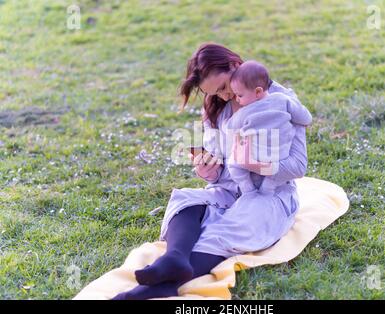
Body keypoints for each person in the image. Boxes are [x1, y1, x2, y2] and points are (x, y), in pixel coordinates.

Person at [112, 43, 311, 300]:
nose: (224, 96)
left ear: (235, 66)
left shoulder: (280, 103)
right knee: (186, 201)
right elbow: (219, 167)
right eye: (215, 93)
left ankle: (151, 290)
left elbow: (298, 167)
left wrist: (255, 165)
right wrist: (208, 172)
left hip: (268, 195)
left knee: (225, 230)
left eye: (224, 87)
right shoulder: (215, 106)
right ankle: (175, 257)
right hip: (229, 190)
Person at [226, 60, 312, 194]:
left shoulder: (245, 111)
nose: (237, 99)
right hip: (280, 156)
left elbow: (230, 127)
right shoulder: (282, 99)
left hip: (254, 155)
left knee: (233, 165)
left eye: (240, 95)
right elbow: (305, 118)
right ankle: (269, 187)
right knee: (276, 174)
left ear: (258, 92)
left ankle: (247, 188)